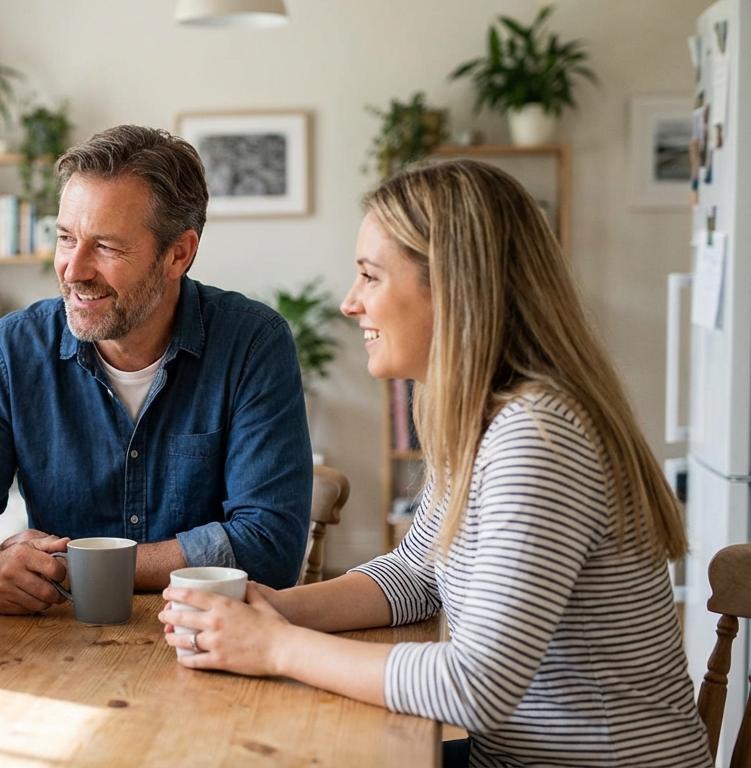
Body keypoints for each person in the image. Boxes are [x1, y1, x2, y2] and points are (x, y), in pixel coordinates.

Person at [160, 159, 710, 767]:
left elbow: (476, 687)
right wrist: (270, 609)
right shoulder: (483, 420)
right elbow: (416, 574)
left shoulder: (536, 438)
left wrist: (278, 648)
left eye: (370, 276)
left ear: (452, 287)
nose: (349, 303)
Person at [0, 125, 313, 615]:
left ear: (178, 254)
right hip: (57, 642)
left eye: (106, 247)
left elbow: (270, 548)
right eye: (66, 238)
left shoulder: (252, 344)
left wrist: (75, 567)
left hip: (206, 635)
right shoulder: (12, 351)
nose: (73, 270)